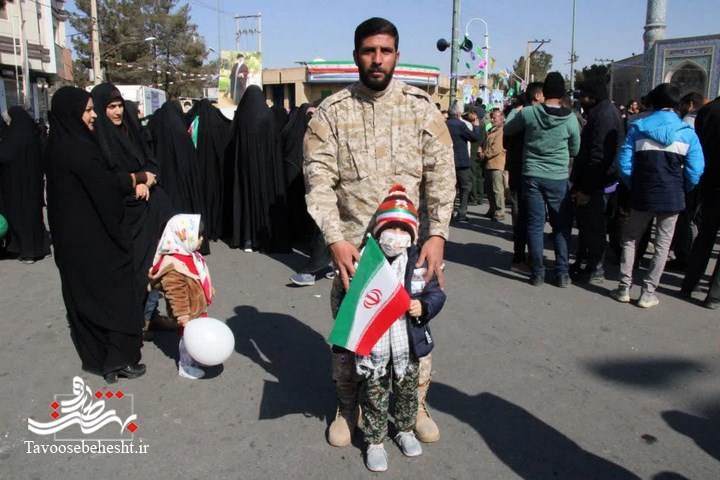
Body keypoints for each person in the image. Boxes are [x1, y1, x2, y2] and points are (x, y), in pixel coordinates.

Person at [303, 17, 455, 449]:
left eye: (385, 51)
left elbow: (441, 175)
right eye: (369, 50)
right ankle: (347, 406)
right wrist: (335, 240)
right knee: (352, 335)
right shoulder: (332, 113)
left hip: (412, 253)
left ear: (396, 56)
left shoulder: (420, 108)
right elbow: (318, 179)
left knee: (415, 328)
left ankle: (415, 405)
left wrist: (438, 235)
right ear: (356, 55)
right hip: (356, 252)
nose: (377, 59)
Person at [44, 86, 148, 383]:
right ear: (72, 114)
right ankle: (118, 358)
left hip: (71, 241)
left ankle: (97, 357)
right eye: (88, 110)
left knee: (85, 296)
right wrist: (138, 178)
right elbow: (105, 185)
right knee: (115, 293)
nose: (93, 116)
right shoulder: (79, 150)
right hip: (96, 239)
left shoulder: (58, 145)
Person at [356, 185, 446, 472]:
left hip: (408, 344)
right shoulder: (366, 259)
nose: (396, 236)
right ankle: (375, 441)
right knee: (375, 393)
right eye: (390, 228)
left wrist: (424, 306)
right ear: (379, 231)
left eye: (402, 229)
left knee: (408, 393)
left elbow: (436, 292)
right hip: (375, 347)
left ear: (412, 233)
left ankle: (405, 429)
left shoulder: (419, 262)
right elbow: (352, 298)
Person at [91, 83, 176, 339]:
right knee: (135, 271)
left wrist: (147, 179)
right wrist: (136, 180)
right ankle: (135, 322)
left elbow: (152, 163)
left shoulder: (130, 131)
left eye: (119, 106)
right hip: (125, 216)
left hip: (152, 212)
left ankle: (150, 315)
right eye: (111, 107)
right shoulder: (97, 139)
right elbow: (107, 178)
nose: (118, 112)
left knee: (157, 265)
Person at [610, 83, 704, 308]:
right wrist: (683, 188)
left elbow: (624, 163)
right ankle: (648, 292)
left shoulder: (638, 127)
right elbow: (695, 170)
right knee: (663, 244)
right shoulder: (686, 132)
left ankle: (624, 287)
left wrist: (635, 184)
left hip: (642, 192)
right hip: (672, 195)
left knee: (631, 239)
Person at [504, 72, 581, 287]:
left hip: (532, 175)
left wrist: (516, 110)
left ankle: (537, 273)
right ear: (563, 93)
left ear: (543, 92)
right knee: (561, 226)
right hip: (558, 177)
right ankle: (562, 274)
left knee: (535, 225)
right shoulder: (570, 118)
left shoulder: (529, 113)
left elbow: (508, 128)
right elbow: (575, 148)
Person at [569, 79, 624, 284]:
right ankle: (585, 261)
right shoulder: (600, 113)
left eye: (583, 96)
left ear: (591, 97)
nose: (580, 100)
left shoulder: (604, 116)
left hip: (598, 184)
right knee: (587, 225)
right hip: (593, 182)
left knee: (594, 227)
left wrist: (586, 189)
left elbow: (598, 157)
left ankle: (595, 267)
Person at [224, 84, 290, 253]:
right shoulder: (268, 116)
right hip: (266, 170)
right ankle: (264, 239)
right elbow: (275, 145)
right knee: (265, 201)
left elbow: (232, 144)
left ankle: (247, 239)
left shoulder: (241, 117)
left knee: (246, 200)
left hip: (244, 170)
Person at [148, 214, 214, 379]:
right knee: (187, 339)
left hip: (196, 307)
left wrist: (208, 288)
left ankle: (195, 356)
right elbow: (175, 293)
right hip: (187, 311)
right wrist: (182, 315)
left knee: (196, 336)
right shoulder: (173, 264)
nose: (202, 239)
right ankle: (185, 365)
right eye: (198, 236)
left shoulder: (190, 254)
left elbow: (200, 275)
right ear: (183, 237)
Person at [681, 95, 720, 308]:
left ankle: (689, 283)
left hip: (709, 182)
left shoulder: (707, 111)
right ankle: (714, 295)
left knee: (705, 235)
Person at [0, 106, 51, 263]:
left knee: (19, 219)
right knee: (34, 218)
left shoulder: (12, 138)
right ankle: (41, 248)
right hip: (33, 185)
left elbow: (4, 158)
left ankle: (26, 252)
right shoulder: (33, 136)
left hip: (15, 187)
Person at [447, 103, 482, 221]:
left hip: (448, 161)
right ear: (458, 113)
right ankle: (462, 212)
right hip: (462, 161)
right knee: (465, 187)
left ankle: (449, 212)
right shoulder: (460, 125)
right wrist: (476, 127)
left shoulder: (445, 124)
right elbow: (474, 138)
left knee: (451, 188)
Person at [481, 109, 506, 221]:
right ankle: (492, 209)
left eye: (494, 118)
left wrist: (485, 154)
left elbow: (496, 149)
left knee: (497, 189)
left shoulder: (501, 131)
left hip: (497, 163)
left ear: (501, 118)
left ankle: (500, 212)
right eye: (491, 117)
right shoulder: (492, 130)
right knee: (489, 189)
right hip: (489, 163)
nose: (492, 120)